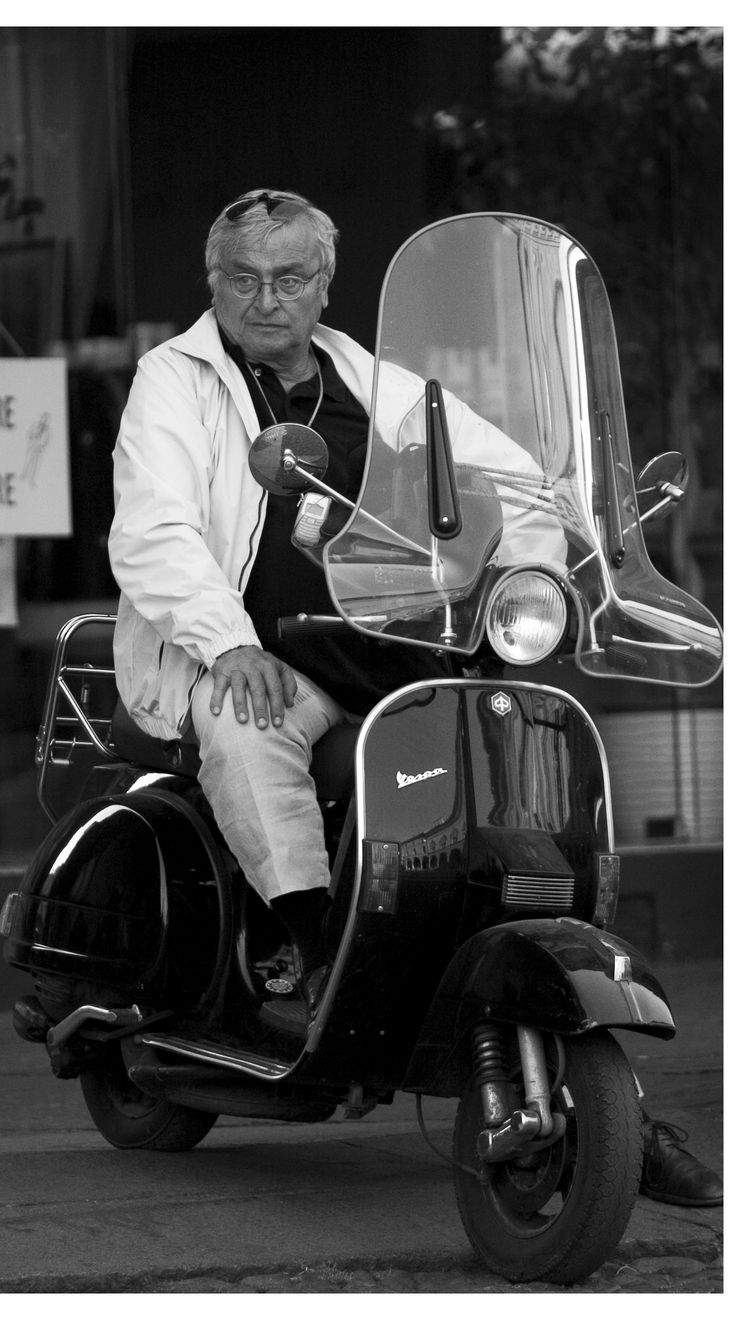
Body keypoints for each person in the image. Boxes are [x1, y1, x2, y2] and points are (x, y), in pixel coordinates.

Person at [108, 187, 722, 1209]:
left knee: (498, 766)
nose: (268, 299)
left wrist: (532, 568)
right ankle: (309, 947)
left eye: (291, 276)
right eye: (244, 277)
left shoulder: (369, 377)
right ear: (213, 283)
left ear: (325, 284)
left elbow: (518, 476)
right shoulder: (174, 384)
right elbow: (153, 534)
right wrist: (226, 645)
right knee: (246, 727)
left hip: (385, 644)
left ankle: (572, 1047)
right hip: (257, 655)